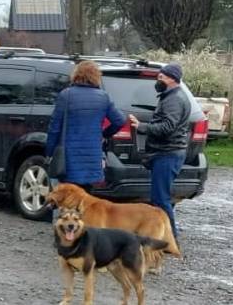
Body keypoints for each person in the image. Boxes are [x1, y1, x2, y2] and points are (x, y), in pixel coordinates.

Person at [129, 62, 189, 239]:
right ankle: (162, 235)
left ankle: (170, 238)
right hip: (165, 153)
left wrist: (143, 126)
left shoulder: (174, 99)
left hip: (168, 153)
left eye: (161, 77)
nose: (158, 80)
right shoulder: (170, 96)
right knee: (160, 197)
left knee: (161, 199)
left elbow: (168, 126)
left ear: (172, 79)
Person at [46, 60, 126, 189]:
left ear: (76, 74)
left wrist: (49, 152)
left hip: (69, 157)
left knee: (65, 198)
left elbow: (54, 128)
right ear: (96, 76)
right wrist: (105, 134)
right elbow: (120, 121)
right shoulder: (103, 97)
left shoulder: (66, 95)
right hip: (92, 158)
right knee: (86, 199)